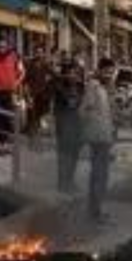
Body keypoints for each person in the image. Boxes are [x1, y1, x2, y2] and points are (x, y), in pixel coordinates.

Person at [79, 58, 118, 224]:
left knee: (101, 174)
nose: (109, 75)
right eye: (107, 72)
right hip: (97, 136)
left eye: (112, 72)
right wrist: (95, 122)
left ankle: (95, 209)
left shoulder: (107, 87)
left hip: (106, 135)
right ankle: (96, 211)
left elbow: (111, 111)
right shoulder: (93, 86)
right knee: (99, 175)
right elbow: (83, 111)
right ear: (100, 70)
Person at [0, 35, 24, 152]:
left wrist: (16, 83)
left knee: (7, 118)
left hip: (8, 93)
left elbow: (22, 72)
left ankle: (4, 143)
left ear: (7, 47)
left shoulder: (14, 58)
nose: (1, 49)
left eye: (3, 47)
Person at [53, 61, 84, 194]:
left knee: (74, 155)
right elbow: (71, 102)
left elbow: (83, 103)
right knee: (64, 155)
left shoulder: (80, 86)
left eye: (75, 73)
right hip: (63, 126)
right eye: (70, 73)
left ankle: (70, 180)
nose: (73, 75)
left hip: (77, 125)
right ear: (64, 74)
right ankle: (62, 183)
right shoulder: (60, 86)